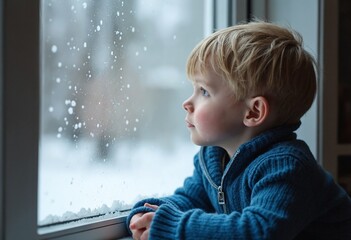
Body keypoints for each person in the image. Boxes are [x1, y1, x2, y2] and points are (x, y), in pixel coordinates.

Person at [126, 21, 351, 239]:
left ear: (253, 112)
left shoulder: (287, 167)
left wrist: (171, 225)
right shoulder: (213, 158)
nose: (187, 102)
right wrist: (153, 211)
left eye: (204, 91)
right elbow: (191, 199)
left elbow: (257, 231)